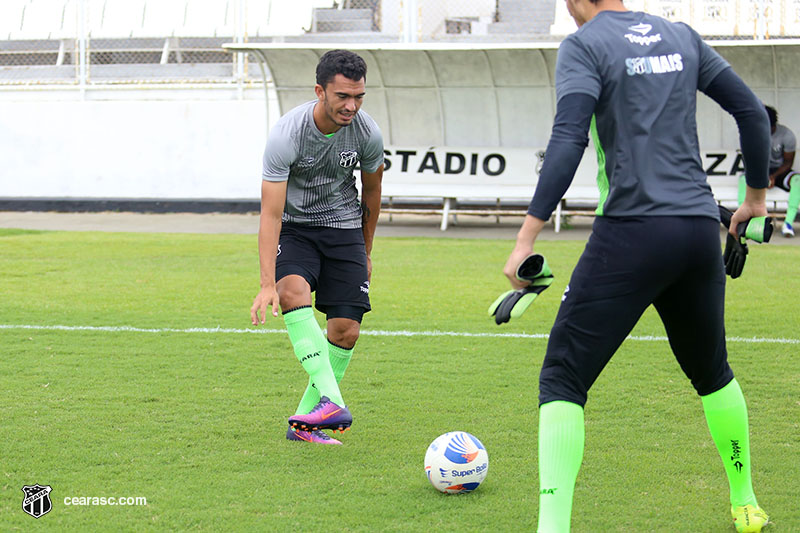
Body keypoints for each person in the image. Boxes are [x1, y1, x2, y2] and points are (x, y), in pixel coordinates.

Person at [500, 1, 771, 531]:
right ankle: (745, 502)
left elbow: (568, 138)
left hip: (631, 231)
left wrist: (525, 238)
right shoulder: (682, 36)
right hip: (696, 232)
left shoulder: (585, 45)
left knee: (562, 378)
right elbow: (753, 114)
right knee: (712, 373)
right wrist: (756, 197)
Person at [250, 49, 384, 445]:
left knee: (345, 331)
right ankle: (332, 400)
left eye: (358, 97)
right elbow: (270, 214)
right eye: (343, 96)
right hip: (296, 229)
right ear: (319, 91)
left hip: (344, 231)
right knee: (293, 292)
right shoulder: (287, 134)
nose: (351, 106)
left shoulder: (367, 133)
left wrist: (366, 251)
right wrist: (265, 284)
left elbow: (373, 196)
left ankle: (305, 426)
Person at [739, 105, 799, 237]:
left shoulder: (787, 135)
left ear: (773, 125)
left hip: (780, 170)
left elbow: (788, 162)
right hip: (760, 168)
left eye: (769, 127)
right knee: (743, 179)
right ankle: (744, 223)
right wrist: (763, 176)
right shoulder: (751, 133)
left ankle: (788, 224)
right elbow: (750, 159)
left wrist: (773, 177)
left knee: (797, 180)